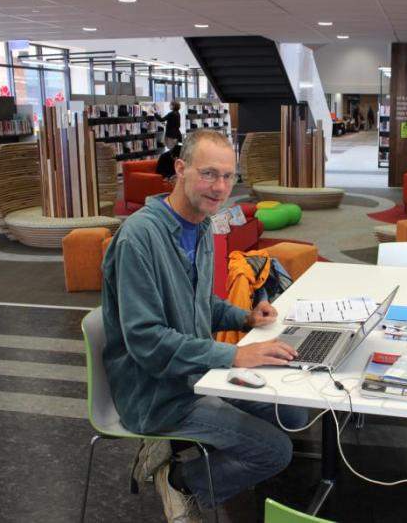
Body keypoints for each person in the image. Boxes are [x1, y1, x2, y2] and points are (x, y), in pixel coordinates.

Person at [102, 130, 308, 522]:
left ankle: (180, 447)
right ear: (181, 169)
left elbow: (199, 303)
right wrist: (234, 355)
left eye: (228, 177)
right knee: (274, 452)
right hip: (157, 394)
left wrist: (244, 317)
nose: (220, 187)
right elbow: (146, 341)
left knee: (293, 413)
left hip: (197, 373)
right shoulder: (139, 239)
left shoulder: (200, 224)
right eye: (209, 174)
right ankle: (180, 480)